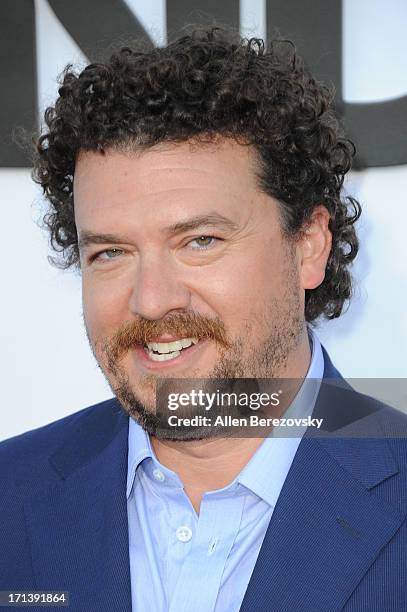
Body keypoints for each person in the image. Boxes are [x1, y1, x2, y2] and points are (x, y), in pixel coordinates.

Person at [1, 27, 406, 612]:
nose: (152, 300)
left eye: (200, 241)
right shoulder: (11, 497)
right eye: (111, 252)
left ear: (309, 246)